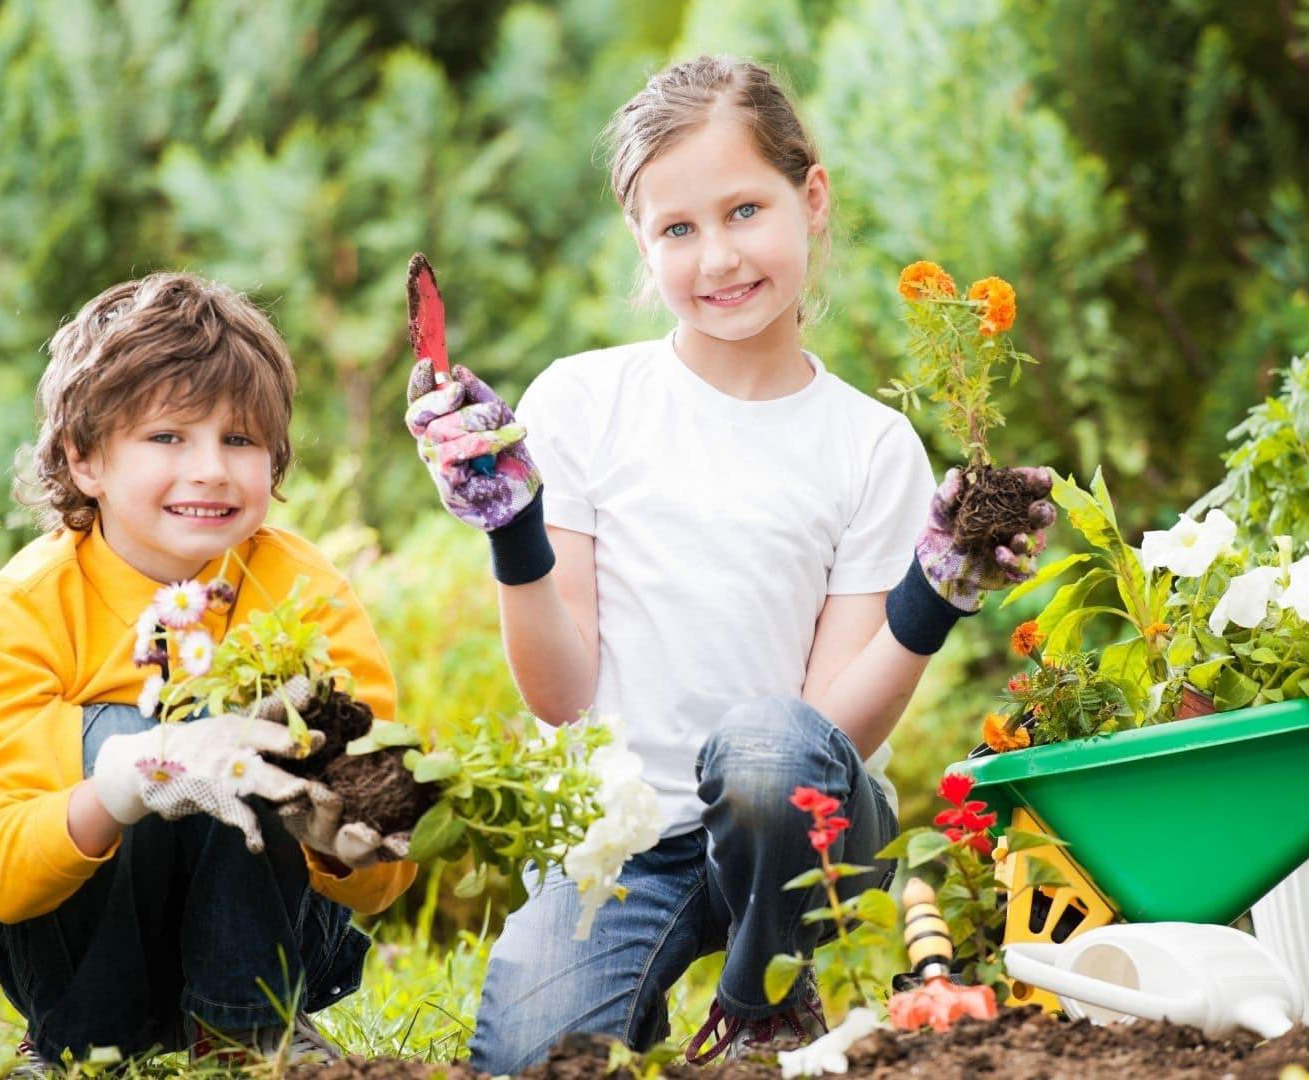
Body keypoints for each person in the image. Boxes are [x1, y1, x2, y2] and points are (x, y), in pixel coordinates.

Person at [403, 56, 1055, 1072]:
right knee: (530, 1061)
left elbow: (832, 731)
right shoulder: (582, 402)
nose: (718, 257)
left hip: (803, 832)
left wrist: (933, 599)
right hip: (617, 839)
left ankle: (765, 1003)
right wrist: (513, 531)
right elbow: (562, 696)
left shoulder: (869, 446)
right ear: (641, 241)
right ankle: (639, 992)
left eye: (745, 209)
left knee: (762, 744)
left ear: (813, 197)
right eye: (678, 229)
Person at [0, 272, 419, 1069]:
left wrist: (341, 832)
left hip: (274, 954)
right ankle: (84, 1043)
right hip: (86, 967)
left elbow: (386, 872)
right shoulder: (26, 608)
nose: (210, 469)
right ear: (85, 458)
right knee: (123, 732)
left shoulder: (304, 591)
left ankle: (252, 1030)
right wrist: (125, 778)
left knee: (277, 725)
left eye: (239, 440)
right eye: (168, 437)